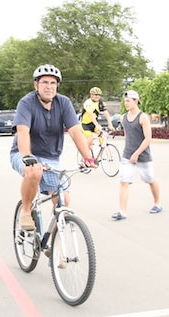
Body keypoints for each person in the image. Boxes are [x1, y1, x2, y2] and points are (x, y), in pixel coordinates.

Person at [10, 64, 96, 231]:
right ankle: (26, 212)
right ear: (36, 85)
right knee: (34, 171)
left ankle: (53, 242)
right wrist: (28, 157)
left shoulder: (63, 103)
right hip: (24, 153)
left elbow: (75, 131)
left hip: (51, 158)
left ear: (57, 86)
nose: (49, 87)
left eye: (53, 83)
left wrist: (88, 157)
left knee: (63, 200)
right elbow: (22, 131)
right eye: (44, 82)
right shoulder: (26, 103)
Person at [111, 90, 161, 220]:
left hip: (143, 155)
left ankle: (157, 203)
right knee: (124, 181)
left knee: (150, 179)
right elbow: (128, 136)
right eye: (125, 101)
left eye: (128, 101)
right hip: (127, 155)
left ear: (136, 101)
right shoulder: (123, 118)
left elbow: (148, 138)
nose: (126, 103)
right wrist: (129, 152)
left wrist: (137, 153)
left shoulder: (143, 117)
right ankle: (122, 211)